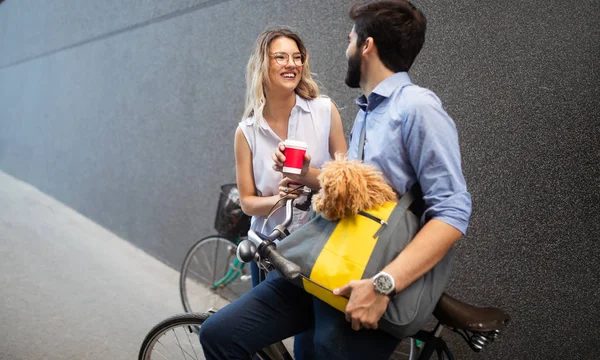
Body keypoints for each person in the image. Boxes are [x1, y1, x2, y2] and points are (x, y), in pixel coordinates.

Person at [200, 1, 472, 359]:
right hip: (328, 261)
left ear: (367, 46)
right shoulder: (368, 111)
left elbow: (452, 212)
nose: (347, 49)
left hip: (368, 278)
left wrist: (383, 285)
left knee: (322, 350)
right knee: (220, 333)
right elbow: (358, 195)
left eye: (349, 40)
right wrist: (308, 175)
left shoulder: (418, 108)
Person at [232, 27, 347, 358]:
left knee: (310, 346)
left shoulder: (324, 111)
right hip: (270, 253)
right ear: (262, 65)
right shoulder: (247, 132)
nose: (291, 64)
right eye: (280, 56)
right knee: (265, 344)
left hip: (319, 253)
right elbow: (248, 202)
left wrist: (309, 175)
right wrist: (279, 197)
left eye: (297, 57)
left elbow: (349, 180)